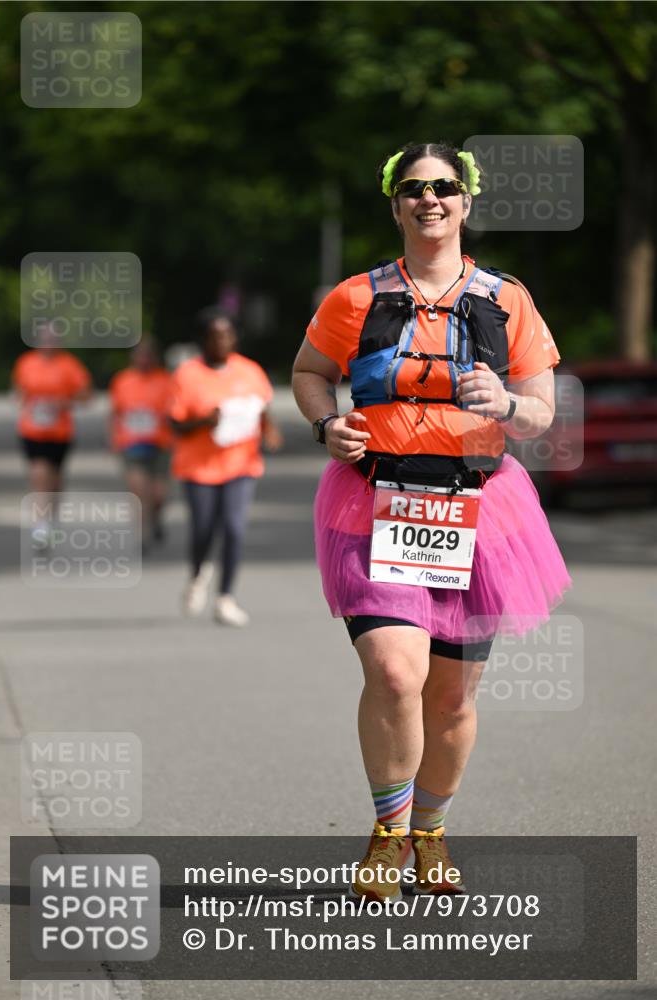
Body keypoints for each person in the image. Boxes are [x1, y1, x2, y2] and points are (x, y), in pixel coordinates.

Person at [292, 142, 572, 900]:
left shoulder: (506, 298)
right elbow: (309, 372)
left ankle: (431, 833)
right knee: (393, 673)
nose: (430, 199)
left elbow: (542, 409)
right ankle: (387, 833)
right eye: (413, 189)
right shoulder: (354, 297)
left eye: (444, 187)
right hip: (373, 504)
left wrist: (508, 405)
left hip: (477, 514)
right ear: (394, 204)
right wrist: (327, 426)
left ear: (466, 200)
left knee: (450, 698)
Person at [169, 308, 283, 626]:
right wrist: (205, 421)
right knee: (204, 529)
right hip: (199, 467)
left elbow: (262, 408)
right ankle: (197, 572)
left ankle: (225, 598)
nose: (222, 340)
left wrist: (270, 431)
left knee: (233, 528)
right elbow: (175, 425)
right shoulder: (187, 374)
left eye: (227, 334)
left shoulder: (250, 372)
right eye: (215, 335)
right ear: (204, 340)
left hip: (241, 464)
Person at [12, 324, 93, 547]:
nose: (48, 344)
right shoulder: (26, 363)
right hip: (32, 430)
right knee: (39, 476)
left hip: (59, 433)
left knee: (55, 481)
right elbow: (19, 391)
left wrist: (64, 402)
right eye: (44, 339)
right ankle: (40, 525)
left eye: (53, 339)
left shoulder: (69, 365)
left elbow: (86, 395)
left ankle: (50, 520)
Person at [108, 336, 172, 548]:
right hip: (131, 443)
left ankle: (156, 518)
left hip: (160, 444)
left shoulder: (166, 381)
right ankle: (142, 533)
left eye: (148, 355)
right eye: (139, 355)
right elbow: (114, 413)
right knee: (138, 490)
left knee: (158, 494)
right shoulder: (122, 380)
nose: (143, 359)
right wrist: (112, 439)